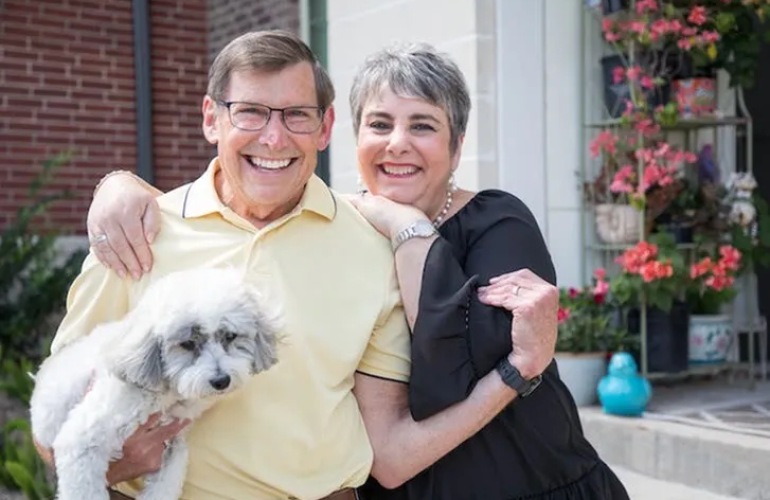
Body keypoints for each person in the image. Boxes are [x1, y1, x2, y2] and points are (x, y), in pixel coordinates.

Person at [86, 39, 628, 500]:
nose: (398, 143)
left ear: (456, 146)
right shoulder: (347, 226)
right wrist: (119, 185)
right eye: (380, 124)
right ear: (349, 136)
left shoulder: (496, 221)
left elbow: (459, 361)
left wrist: (404, 224)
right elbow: (222, 213)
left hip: (533, 480)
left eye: (422, 126)